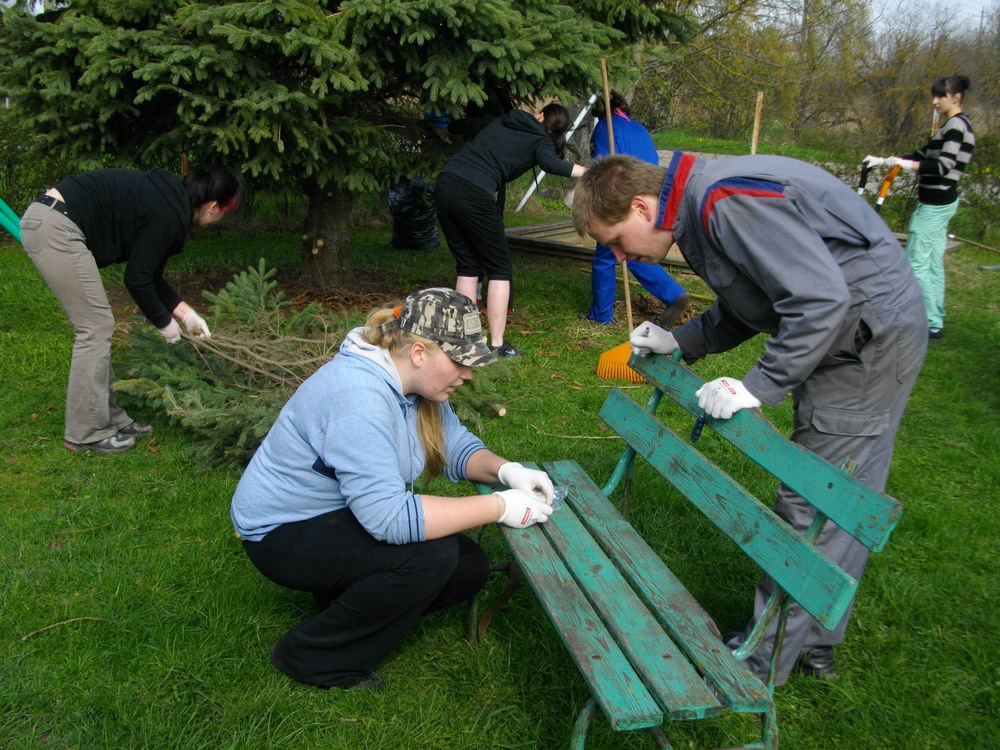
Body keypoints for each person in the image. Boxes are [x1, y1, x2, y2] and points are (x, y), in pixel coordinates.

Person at [572, 153, 927, 687]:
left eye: (617, 240)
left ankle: (761, 663)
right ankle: (811, 640)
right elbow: (754, 300)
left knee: (815, 502)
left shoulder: (723, 201)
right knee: (840, 495)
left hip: (866, 343)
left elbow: (818, 300)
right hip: (857, 330)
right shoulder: (700, 205)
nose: (621, 257)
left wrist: (757, 386)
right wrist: (681, 339)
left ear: (643, 207)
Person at [230, 288, 555, 691]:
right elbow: (390, 519)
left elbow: (453, 444)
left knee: (466, 567)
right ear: (419, 352)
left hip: (337, 515)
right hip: (280, 533)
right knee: (430, 557)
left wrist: (507, 472)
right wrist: (498, 506)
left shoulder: (413, 382)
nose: (468, 375)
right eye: (459, 362)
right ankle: (312, 658)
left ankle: (344, 602)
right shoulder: (359, 397)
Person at [19, 165, 243, 455]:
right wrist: (165, 325)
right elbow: (136, 279)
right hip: (55, 225)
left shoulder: (170, 201)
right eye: (225, 212)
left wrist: (185, 314)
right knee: (95, 327)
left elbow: (149, 274)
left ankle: (110, 419)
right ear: (213, 206)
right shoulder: (169, 214)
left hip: (53, 218)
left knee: (98, 326)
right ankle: (86, 432)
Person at [434, 103, 587, 357]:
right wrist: (589, 173)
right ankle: (496, 345)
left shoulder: (512, 118)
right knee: (499, 269)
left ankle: (465, 340)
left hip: (446, 185)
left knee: (468, 266)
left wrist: (447, 127)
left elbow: (475, 125)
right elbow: (550, 164)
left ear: (540, 115)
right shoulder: (542, 142)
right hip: (475, 193)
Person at [864, 75, 975, 340]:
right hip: (941, 202)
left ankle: (920, 322)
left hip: (935, 205)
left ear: (956, 97)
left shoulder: (956, 126)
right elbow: (923, 155)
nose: (935, 101)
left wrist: (905, 166)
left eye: (941, 96)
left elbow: (942, 166)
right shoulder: (951, 126)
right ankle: (933, 321)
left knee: (917, 263)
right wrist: (883, 161)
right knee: (932, 263)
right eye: (934, 95)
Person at [585, 93, 688, 327]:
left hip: (623, 197)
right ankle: (672, 293)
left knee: (606, 254)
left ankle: (601, 316)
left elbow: (601, 169)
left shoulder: (605, 128)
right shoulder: (639, 128)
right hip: (651, 194)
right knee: (634, 250)